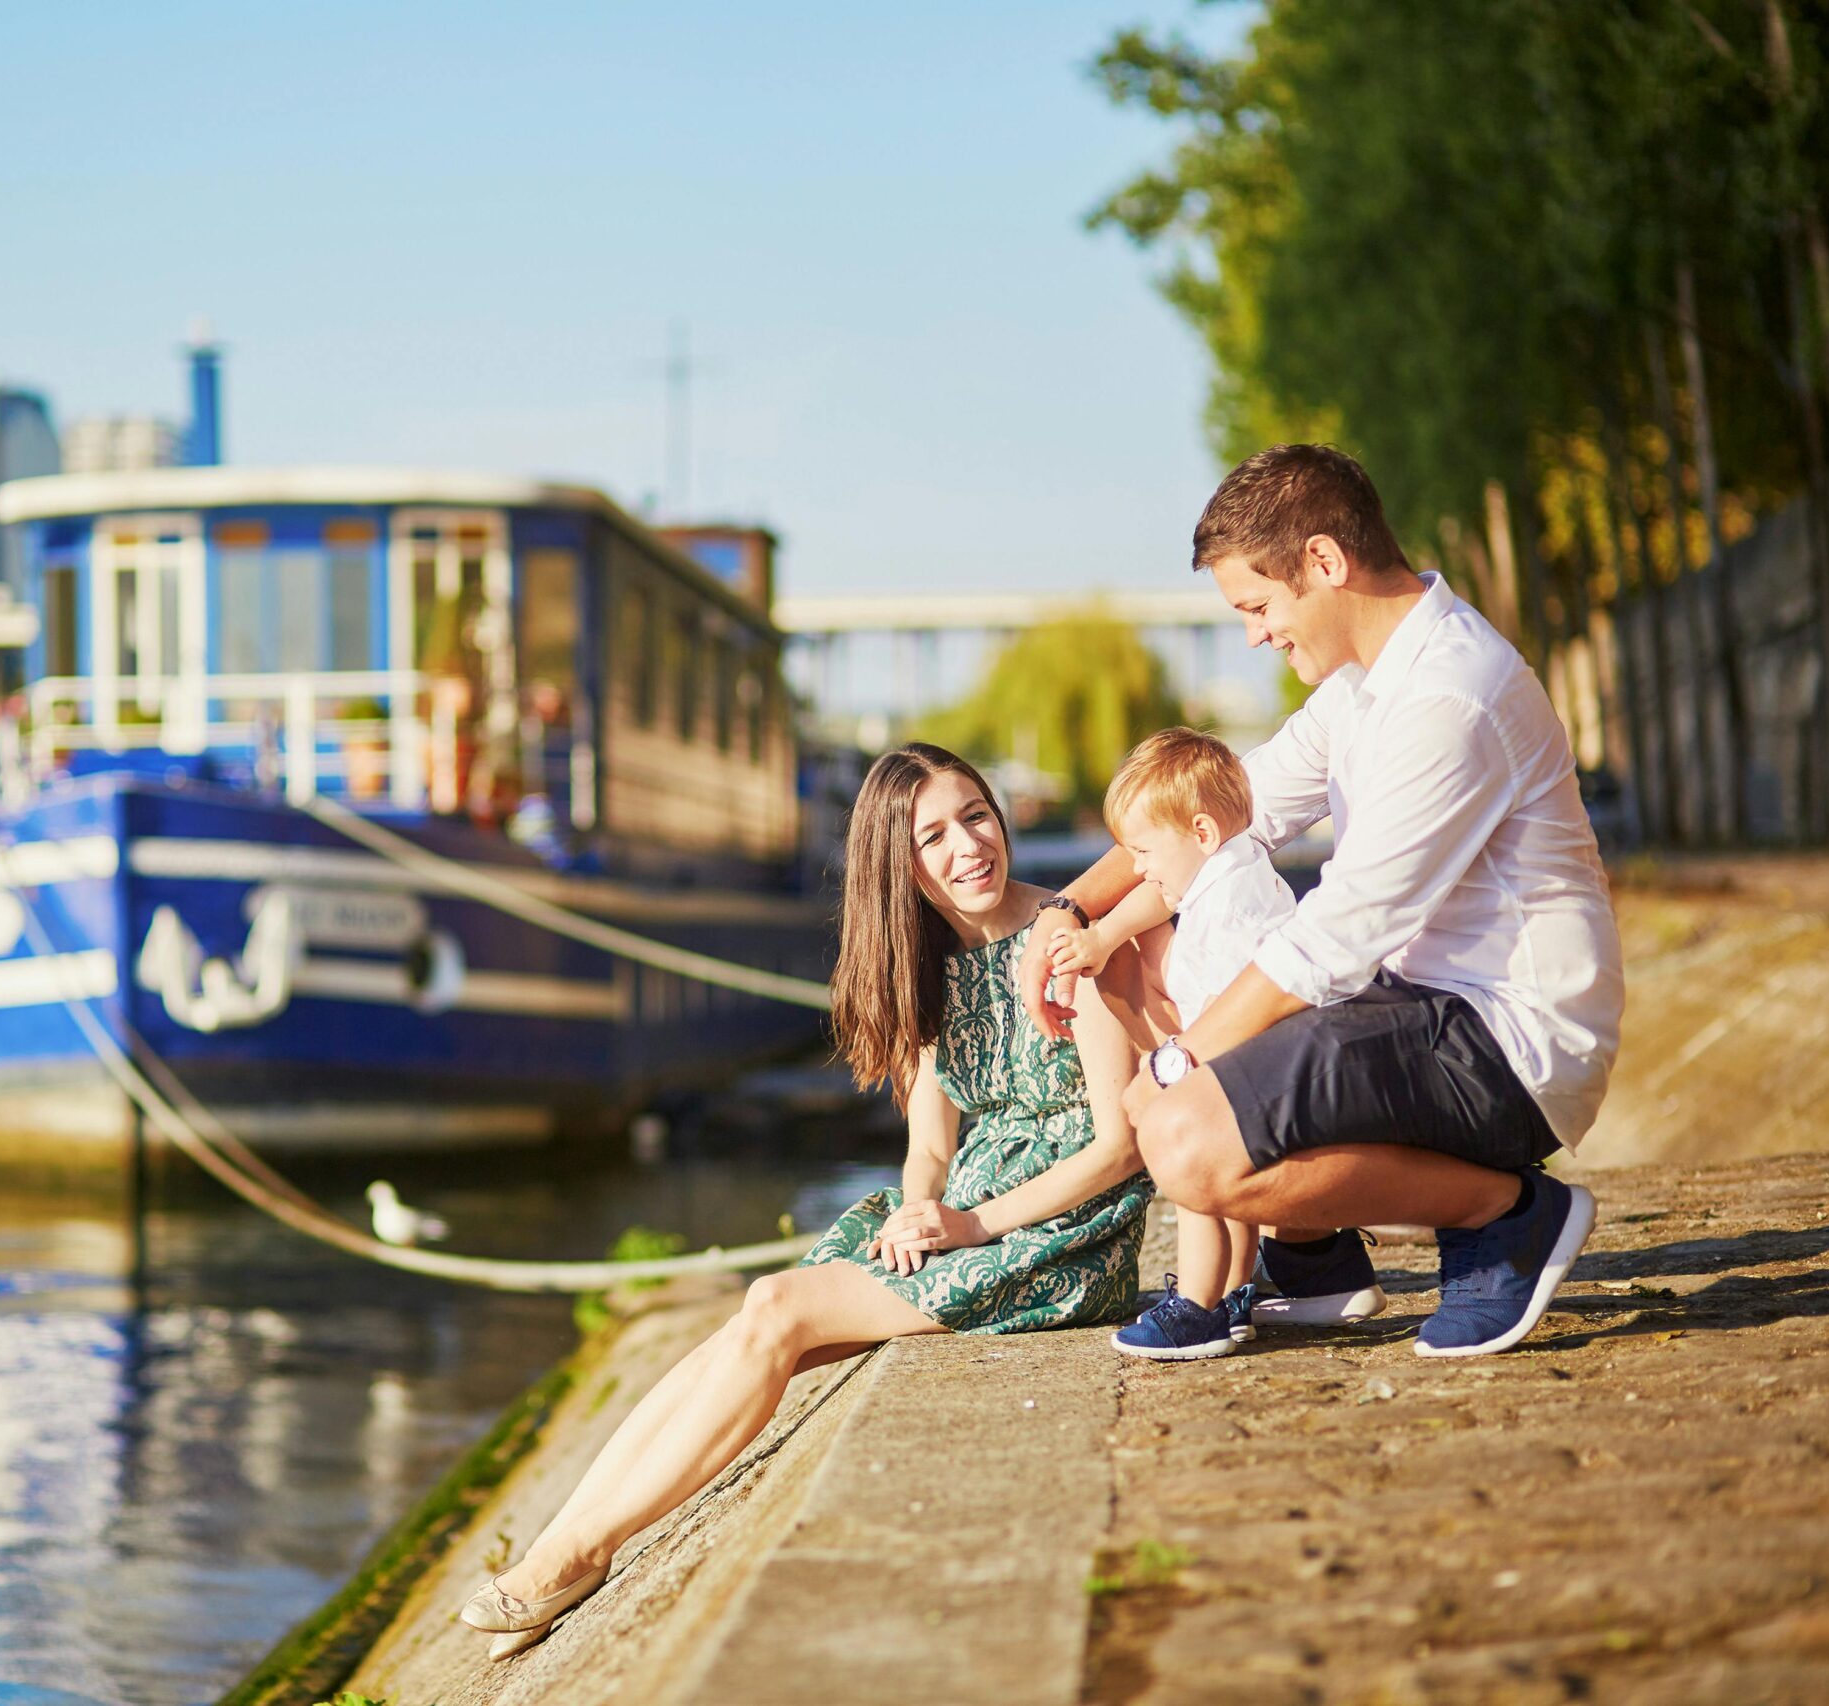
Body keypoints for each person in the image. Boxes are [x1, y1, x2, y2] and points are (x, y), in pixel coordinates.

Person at [459, 742, 1152, 1660]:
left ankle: (575, 1555)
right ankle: (563, 1546)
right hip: (966, 1220)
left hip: (1060, 1238)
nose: (966, 849)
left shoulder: (1072, 943)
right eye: (931, 837)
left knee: (779, 1309)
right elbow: (932, 1142)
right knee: (746, 1326)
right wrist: (918, 1205)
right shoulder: (931, 968)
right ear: (895, 866)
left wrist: (969, 1224)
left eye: (975, 817)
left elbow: (1119, 1144)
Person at [1020, 444, 1624, 1359]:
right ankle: (1320, 1258)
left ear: (1324, 563)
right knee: (1164, 973)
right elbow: (1217, 816)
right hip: (1418, 1007)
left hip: (1507, 1038)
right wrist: (1067, 912)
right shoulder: (1361, 690)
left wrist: (1179, 1064)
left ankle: (1509, 1215)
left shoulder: (1449, 697)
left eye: (1258, 607)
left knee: (1183, 1140)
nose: (1256, 634)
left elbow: (1334, 939)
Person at [1047, 727, 1347, 1360]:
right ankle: (1235, 1293)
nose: (1138, 868)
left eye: (1144, 850)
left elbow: (1237, 1009)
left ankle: (1199, 1307)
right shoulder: (1227, 876)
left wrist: (1176, 1075)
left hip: (1252, 1072)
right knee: (1227, 1192)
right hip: (1273, 1072)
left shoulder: (1232, 911)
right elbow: (1156, 897)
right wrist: (1099, 940)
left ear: (1203, 835)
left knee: (1191, 1175)